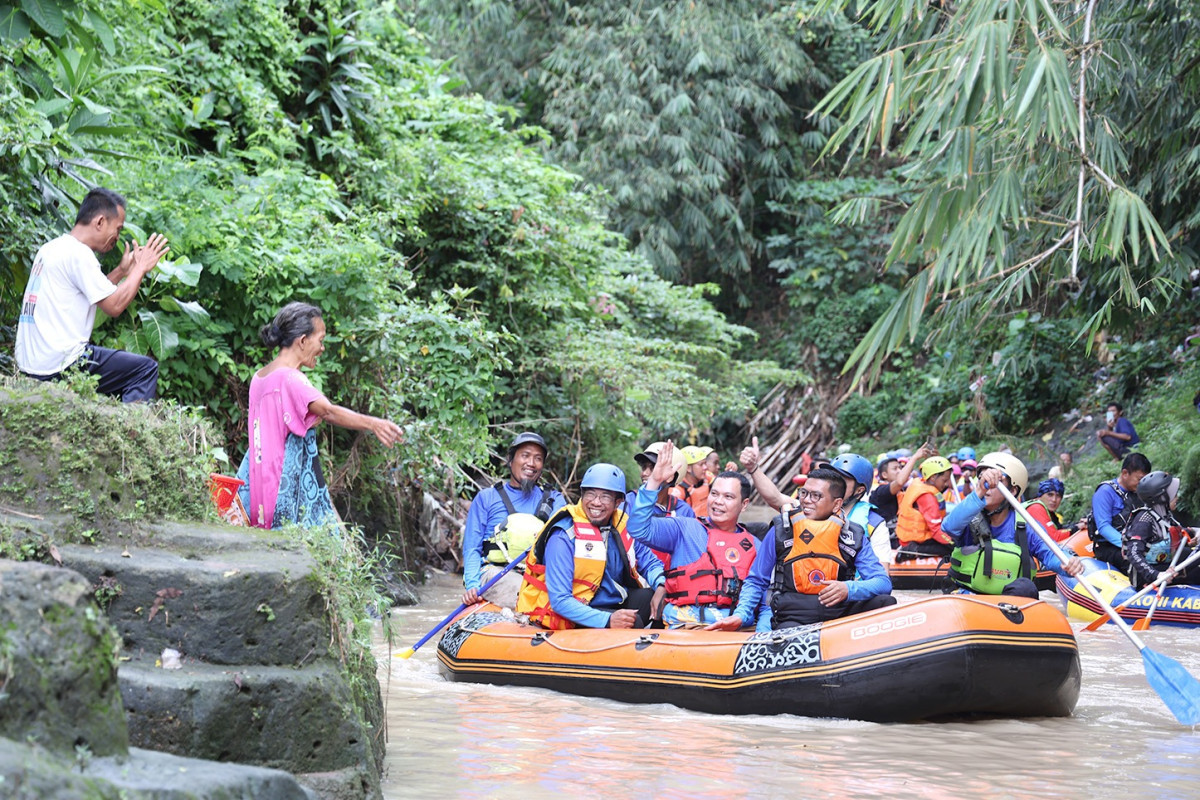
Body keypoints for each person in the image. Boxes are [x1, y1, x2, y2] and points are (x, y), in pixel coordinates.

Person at [236, 302, 402, 529]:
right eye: (320, 340)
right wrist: (374, 423)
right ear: (302, 341)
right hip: (282, 491)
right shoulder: (291, 379)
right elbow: (328, 411)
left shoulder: (260, 377)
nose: (323, 348)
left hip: (257, 490)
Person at [15, 187, 170, 402]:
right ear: (99, 222)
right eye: (117, 229)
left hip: (32, 366)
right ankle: (134, 431)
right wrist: (141, 268)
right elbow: (114, 306)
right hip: (62, 365)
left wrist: (123, 271)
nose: (116, 237)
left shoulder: (52, 248)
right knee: (144, 370)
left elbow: (94, 293)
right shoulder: (79, 254)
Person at [707, 467, 895, 632]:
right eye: (804, 493)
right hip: (793, 612)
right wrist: (741, 615)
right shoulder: (781, 531)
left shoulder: (853, 535)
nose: (806, 500)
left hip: (838, 608)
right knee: (786, 631)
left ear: (836, 504)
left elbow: (882, 582)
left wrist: (848, 588)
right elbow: (757, 581)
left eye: (816, 496)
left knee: (886, 603)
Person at [517, 463, 665, 629]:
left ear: (618, 502)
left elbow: (649, 562)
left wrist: (661, 583)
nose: (596, 502)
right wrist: (607, 620)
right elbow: (559, 600)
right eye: (590, 494)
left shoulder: (622, 524)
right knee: (632, 623)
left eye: (605, 497)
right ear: (582, 495)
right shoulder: (563, 534)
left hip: (608, 599)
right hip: (576, 609)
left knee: (652, 597)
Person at [626, 442, 759, 627]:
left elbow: (762, 601)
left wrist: (759, 630)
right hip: (685, 625)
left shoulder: (755, 545)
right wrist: (654, 482)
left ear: (744, 505)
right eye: (714, 494)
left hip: (732, 630)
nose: (718, 502)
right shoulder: (684, 528)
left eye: (728, 497)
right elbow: (638, 528)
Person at [942, 453, 1083, 598]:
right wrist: (979, 492)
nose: (987, 485)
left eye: (995, 482)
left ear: (1012, 490)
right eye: (982, 479)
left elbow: (1049, 553)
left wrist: (1068, 563)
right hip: (966, 595)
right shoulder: (968, 514)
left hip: (1006, 603)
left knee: (1026, 588)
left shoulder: (1025, 525)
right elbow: (949, 527)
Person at [461, 431, 567, 606]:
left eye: (538, 458)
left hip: (537, 574)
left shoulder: (555, 500)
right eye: (525, 456)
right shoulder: (486, 497)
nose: (531, 463)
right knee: (528, 593)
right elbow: (472, 547)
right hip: (495, 573)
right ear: (511, 460)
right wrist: (472, 585)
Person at [1123, 471, 1199, 589]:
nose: (1177, 498)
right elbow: (1133, 553)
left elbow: (1179, 531)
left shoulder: (1164, 514)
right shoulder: (1144, 520)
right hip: (1148, 575)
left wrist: (1195, 532)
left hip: (1166, 565)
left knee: (1194, 557)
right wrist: (1156, 575)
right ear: (1161, 498)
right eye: (1174, 495)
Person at [1090, 453, 1151, 574]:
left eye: (1144, 479)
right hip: (1110, 548)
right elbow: (1103, 527)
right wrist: (1130, 546)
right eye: (1139, 479)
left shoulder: (1139, 491)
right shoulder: (1105, 492)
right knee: (1139, 563)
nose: (1142, 483)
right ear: (1125, 474)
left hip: (1137, 544)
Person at [867, 443, 933, 547]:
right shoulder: (880, 492)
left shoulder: (903, 490)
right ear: (884, 475)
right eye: (895, 469)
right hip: (886, 544)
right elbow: (899, 482)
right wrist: (915, 457)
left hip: (903, 540)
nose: (900, 471)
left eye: (900, 468)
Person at [894, 456, 956, 561]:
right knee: (952, 548)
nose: (946, 484)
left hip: (914, 535)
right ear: (933, 477)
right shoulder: (927, 497)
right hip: (914, 540)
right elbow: (936, 530)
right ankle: (914, 551)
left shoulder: (919, 483)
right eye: (944, 480)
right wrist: (953, 543)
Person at [628, 442, 695, 519]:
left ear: (670, 477)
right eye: (644, 467)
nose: (644, 473)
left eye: (653, 468)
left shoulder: (683, 512)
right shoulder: (629, 502)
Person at [678, 445, 714, 516]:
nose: (705, 467)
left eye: (705, 463)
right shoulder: (678, 491)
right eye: (701, 464)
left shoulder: (708, 477)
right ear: (688, 468)